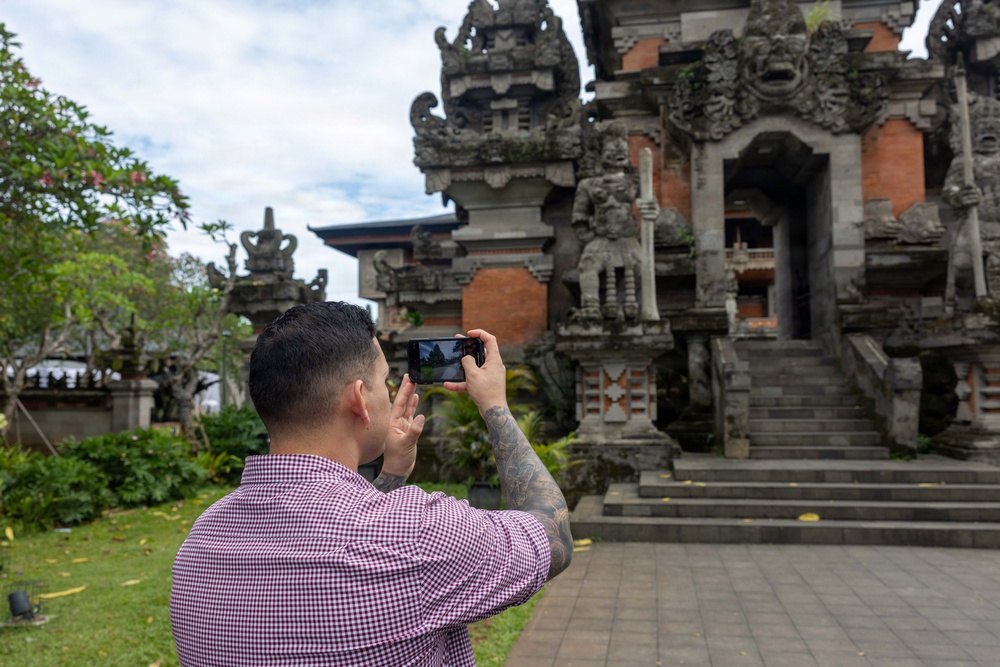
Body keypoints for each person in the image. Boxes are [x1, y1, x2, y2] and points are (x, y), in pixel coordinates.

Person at [170, 301, 572, 667]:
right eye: (383, 383)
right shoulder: (420, 533)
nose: (389, 393)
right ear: (359, 400)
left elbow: (334, 536)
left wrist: (391, 473)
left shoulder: (201, 538)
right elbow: (553, 536)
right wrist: (495, 406)